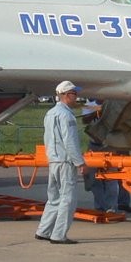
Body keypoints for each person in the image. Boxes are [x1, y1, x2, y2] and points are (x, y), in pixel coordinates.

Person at [34, 80, 85, 243]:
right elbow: (69, 141)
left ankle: (43, 230)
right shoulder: (66, 115)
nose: (76, 97)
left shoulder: (50, 113)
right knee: (67, 199)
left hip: (54, 160)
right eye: (73, 94)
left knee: (54, 198)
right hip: (64, 161)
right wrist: (79, 162)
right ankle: (58, 235)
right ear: (64, 95)